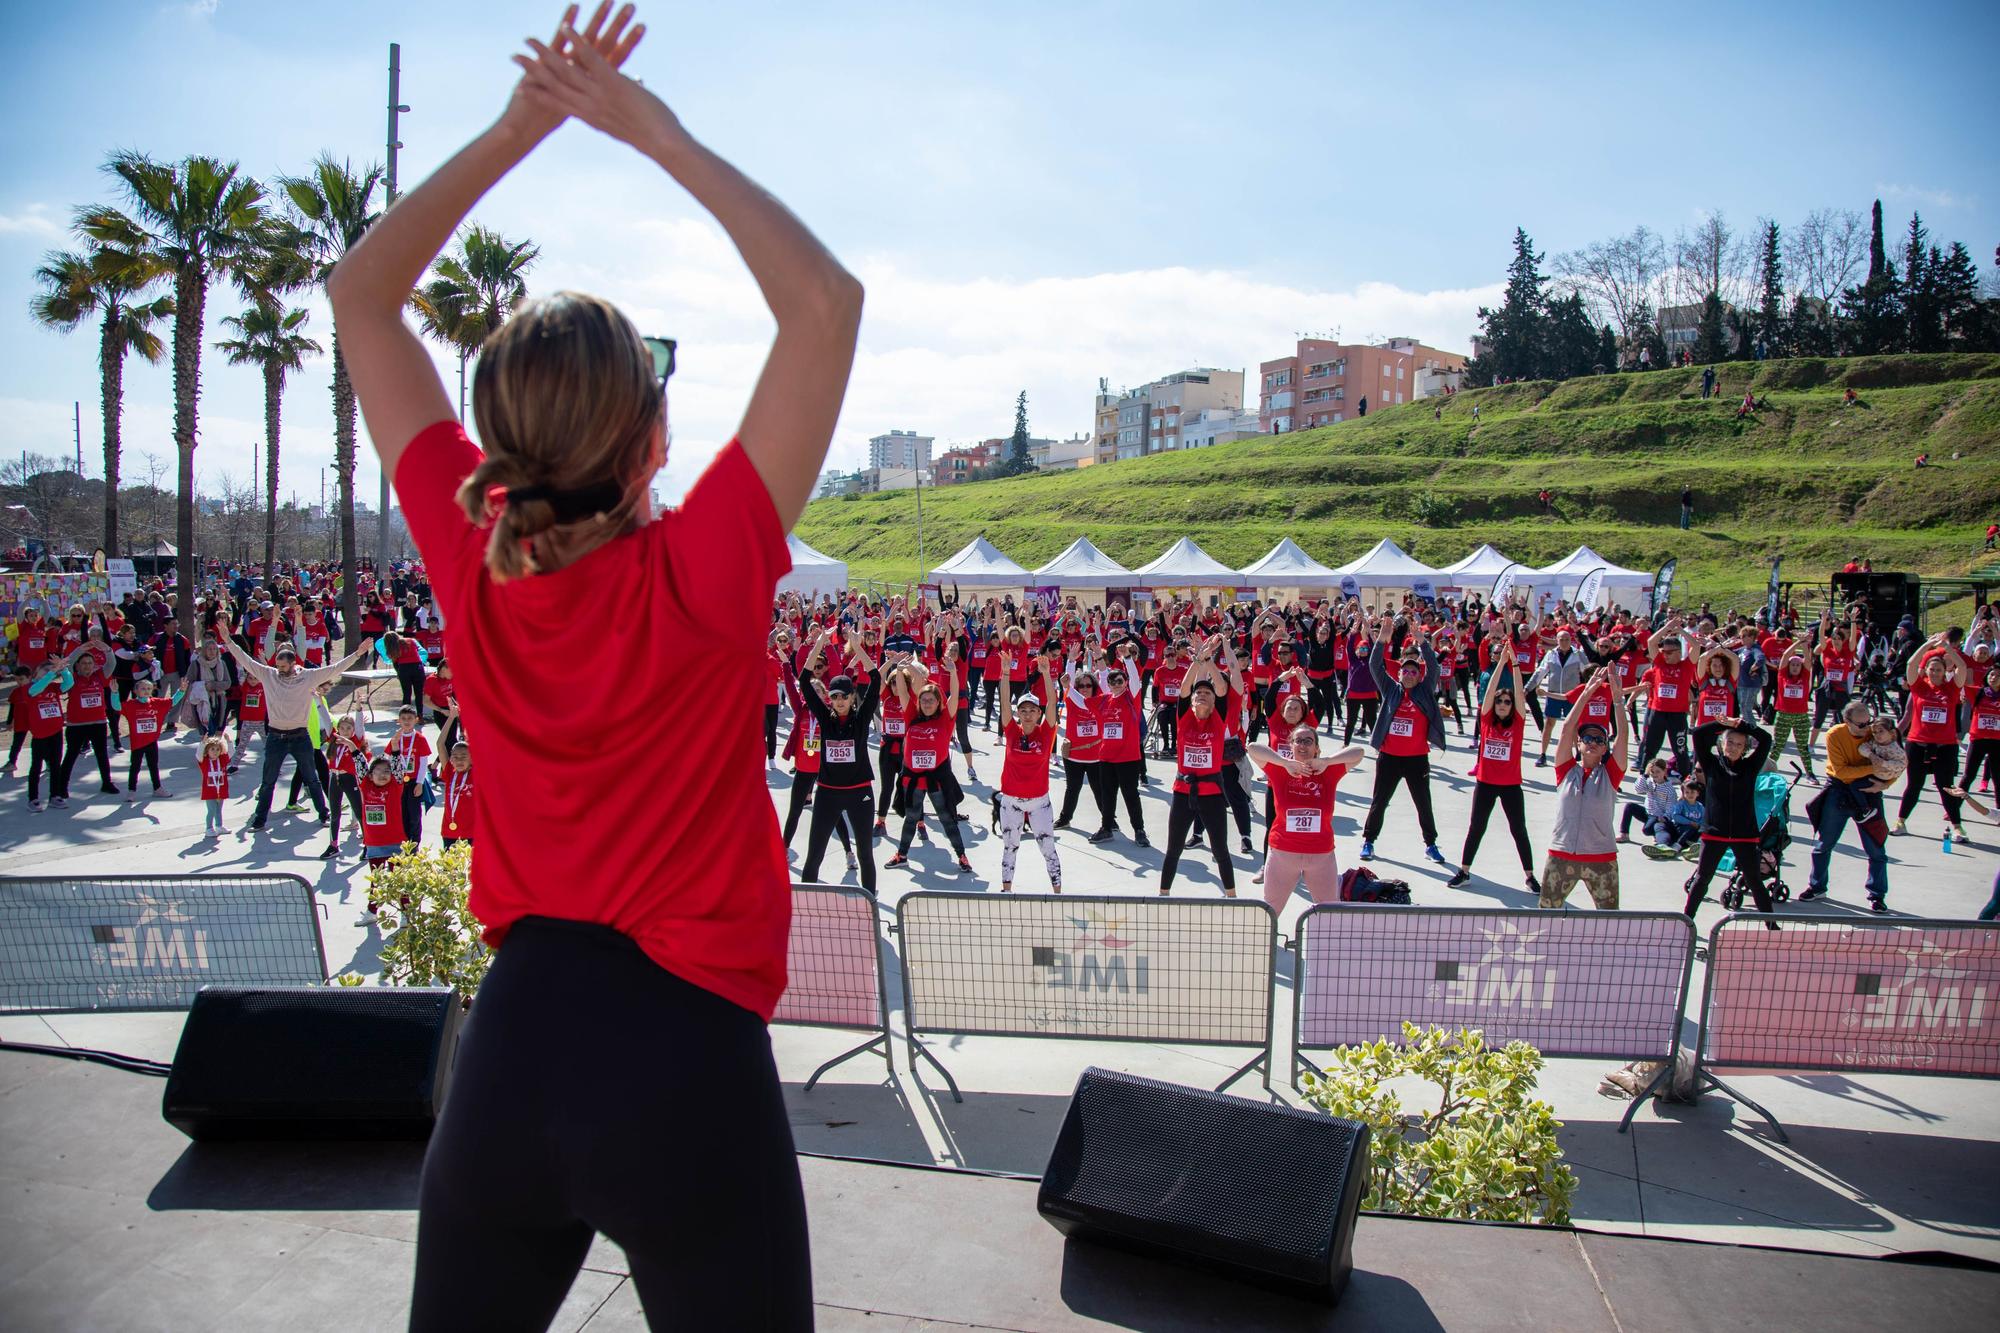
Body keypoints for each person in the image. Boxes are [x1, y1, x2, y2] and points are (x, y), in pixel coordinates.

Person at [329, 7, 860, 1325]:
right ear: (655, 435)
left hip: (510, 1043)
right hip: (685, 1058)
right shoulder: (709, 564)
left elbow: (358, 295)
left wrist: (521, 128)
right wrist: (650, 131)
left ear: (494, 450)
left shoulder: (471, 556)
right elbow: (826, 303)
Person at [220, 621, 368, 831]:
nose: (279, 669)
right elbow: (245, 660)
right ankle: (259, 820)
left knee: (312, 778)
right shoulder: (269, 674)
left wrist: (357, 654)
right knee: (268, 781)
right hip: (275, 737)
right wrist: (227, 640)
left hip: (300, 736)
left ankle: (324, 815)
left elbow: (334, 668)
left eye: (282, 666)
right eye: (277, 666)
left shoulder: (307, 677)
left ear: (292, 664)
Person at [1538, 668, 1630, 910]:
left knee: (1609, 923)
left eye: (1599, 740)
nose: (1592, 742)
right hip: (1561, 854)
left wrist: (1618, 701)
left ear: (1604, 749)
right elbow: (1567, 727)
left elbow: (1622, 737)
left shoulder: (1611, 775)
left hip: (1602, 858)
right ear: (1578, 744)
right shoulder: (1566, 770)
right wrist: (1587, 693)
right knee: (1545, 918)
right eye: (1587, 738)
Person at [1158, 636, 1243, 897]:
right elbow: (1185, 688)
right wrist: (1197, 662)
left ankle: (1231, 896)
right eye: (1199, 694)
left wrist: (1210, 663)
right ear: (1192, 701)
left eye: (1207, 693)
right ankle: (1163, 894)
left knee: (1220, 850)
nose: (1202, 696)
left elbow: (1221, 689)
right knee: (1173, 849)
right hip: (1183, 792)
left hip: (1212, 794)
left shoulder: (1218, 720)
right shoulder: (1184, 718)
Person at [1358, 621, 1448, 867]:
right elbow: (1375, 665)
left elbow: (1434, 667)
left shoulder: (1425, 690)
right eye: (1404, 671)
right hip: (1389, 757)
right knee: (1379, 801)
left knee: (1423, 803)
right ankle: (1368, 841)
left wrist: (1422, 642)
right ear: (1398, 674)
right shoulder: (1390, 689)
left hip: (1417, 759)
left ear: (1419, 676)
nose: (1408, 675)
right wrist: (1381, 641)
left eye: (1413, 672)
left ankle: (1430, 844)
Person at [798, 627, 879, 893]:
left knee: (866, 855)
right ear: (829, 700)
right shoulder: (825, 718)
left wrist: (857, 648)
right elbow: (804, 679)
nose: (840, 700)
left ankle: (870, 905)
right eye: (834, 697)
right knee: (814, 855)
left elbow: (876, 679)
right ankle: (805, 907)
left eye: (844, 696)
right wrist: (819, 643)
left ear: (852, 697)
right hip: (828, 795)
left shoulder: (860, 719)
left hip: (859, 795)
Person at [1247, 726, 1362, 911]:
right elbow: (1253, 748)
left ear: (1316, 747)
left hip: (1320, 855)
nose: (1303, 745)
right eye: (1298, 741)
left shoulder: (1328, 772)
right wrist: (1284, 762)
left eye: (1308, 741)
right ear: (1291, 746)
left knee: (1329, 911)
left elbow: (1359, 752)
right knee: (1270, 911)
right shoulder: (1280, 770)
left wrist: (1327, 761)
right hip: (1283, 853)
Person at [1448, 657, 1538, 892]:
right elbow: (1489, 692)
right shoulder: (1487, 719)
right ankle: (1464, 871)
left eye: (1507, 702)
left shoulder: (1517, 723)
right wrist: (1500, 664)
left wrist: (1515, 666)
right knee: (1476, 828)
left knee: (1519, 830)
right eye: (1499, 701)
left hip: (1510, 787)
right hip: (1485, 784)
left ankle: (1529, 876)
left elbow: (1520, 692)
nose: (1502, 704)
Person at [1680, 718, 1778, 920]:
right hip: (1715, 832)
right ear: (1722, 745)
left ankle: (1772, 926)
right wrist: (1725, 725)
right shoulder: (1711, 764)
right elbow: (1698, 733)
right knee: (1702, 879)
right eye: (1730, 742)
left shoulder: (1750, 766)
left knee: (1754, 881)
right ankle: (1687, 921)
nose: (1733, 747)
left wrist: (1741, 725)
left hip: (1745, 835)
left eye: (1739, 744)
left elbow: (1766, 739)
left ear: (1744, 749)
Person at [1802, 700, 1892, 909]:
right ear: (1846, 721)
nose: (1866, 729)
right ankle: (1817, 887)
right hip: (1839, 790)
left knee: (1876, 848)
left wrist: (1885, 783)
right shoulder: (1835, 734)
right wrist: (1872, 768)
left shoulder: (1875, 733)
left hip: (1870, 792)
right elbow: (1842, 772)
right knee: (1823, 844)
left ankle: (1877, 895)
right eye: (1860, 725)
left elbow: (1895, 764)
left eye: (1868, 722)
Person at [994, 651, 1062, 893]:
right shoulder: (1012, 730)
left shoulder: (1046, 732)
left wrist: (1046, 675)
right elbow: (1004, 702)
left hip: (1039, 803)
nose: (1027, 713)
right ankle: (1006, 889)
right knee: (1010, 846)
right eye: (1023, 710)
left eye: (1032, 709)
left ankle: (1057, 891)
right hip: (1011, 801)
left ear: (1039, 713)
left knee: (1048, 847)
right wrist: (1004, 673)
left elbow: (1052, 702)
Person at [1896, 633, 1969, 837]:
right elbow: (1911, 664)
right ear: (1926, 670)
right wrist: (1928, 645)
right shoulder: (1919, 686)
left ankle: (1957, 826)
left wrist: (1947, 648)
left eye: (1939, 669)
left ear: (1945, 670)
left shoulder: (1951, 688)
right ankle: (1901, 822)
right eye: (1932, 669)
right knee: (1914, 785)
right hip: (1918, 742)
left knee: (1946, 786)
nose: (1935, 672)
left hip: (1945, 744)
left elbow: (1962, 668)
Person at [439, 741, 475, 848]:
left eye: (464, 756)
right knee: (450, 864)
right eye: (455, 756)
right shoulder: (449, 773)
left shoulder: (476, 775)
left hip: (471, 832)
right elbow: (440, 744)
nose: (459, 760)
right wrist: (449, 722)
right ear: (451, 759)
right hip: (449, 832)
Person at [198, 734, 231, 837]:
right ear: (207, 750)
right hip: (209, 791)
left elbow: (231, 753)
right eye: (212, 749)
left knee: (218, 810)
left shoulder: (222, 760)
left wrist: (229, 742)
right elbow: (198, 755)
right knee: (211, 810)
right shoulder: (204, 762)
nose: (215, 752)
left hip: (220, 790)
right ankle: (209, 828)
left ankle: (219, 826)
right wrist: (203, 744)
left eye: (217, 749)